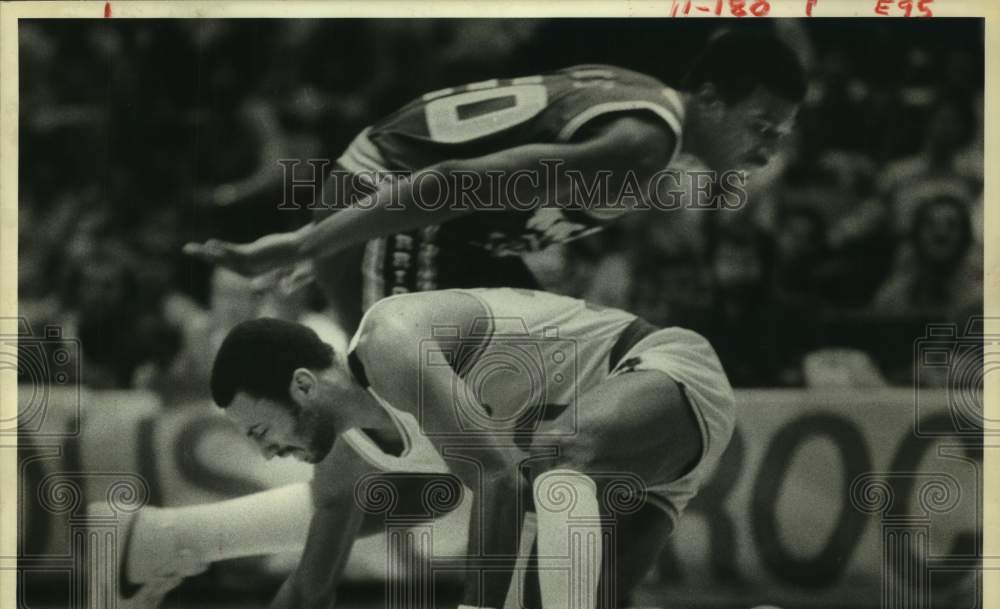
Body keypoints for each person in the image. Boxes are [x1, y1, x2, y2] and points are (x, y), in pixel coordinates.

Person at [107, 288, 820, 609]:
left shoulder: (389, 339)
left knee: (545, 465)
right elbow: (307, 591)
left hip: (661, 376)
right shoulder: (344, 463)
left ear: (302, 385)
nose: (266, 451)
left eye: (262, 430)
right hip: (606, 461)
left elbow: (500, 478)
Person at [182, 30, 805, 336]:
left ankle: (171, 542)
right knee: (449, 436)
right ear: (712, 100)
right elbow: (451, 182)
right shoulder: (642, 144)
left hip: (423, 220)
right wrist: (307, 243)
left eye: (781, 134)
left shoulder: (647, 112)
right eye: (762, 126)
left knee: (534, 394)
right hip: (400, 204)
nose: (769, 147)